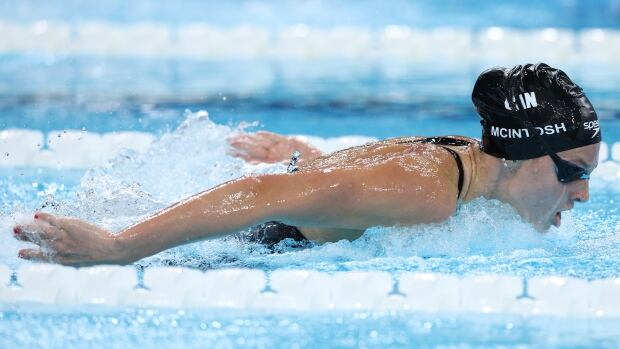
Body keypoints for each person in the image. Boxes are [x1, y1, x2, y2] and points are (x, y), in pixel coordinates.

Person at [12, 63, 601, 266]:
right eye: (573, 171)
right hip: (236, 243)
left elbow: (349, 191)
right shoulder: (431, 194)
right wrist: (122, 247)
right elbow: (264, 195)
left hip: (248, 227)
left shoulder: (456, 159)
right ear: (524, 153)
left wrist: (311, 162)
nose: (582, 194)